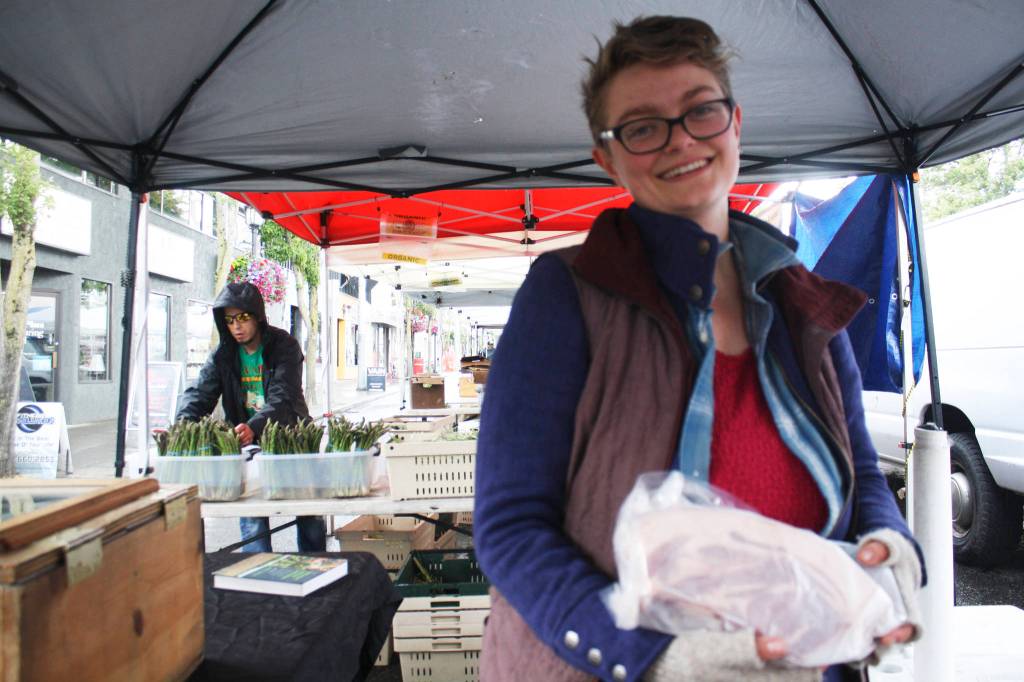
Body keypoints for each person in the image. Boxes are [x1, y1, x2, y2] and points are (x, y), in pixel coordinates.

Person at [474, 16, 923, 682]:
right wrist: (659, 659)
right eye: (642, 127)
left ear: (735, 123)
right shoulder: (566, 294)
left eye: (700, 111)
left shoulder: (804, 301)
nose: (681, 139)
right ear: (608, 159)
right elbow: (509, 527)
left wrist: (889, 548)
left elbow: (863, 477)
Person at [176, 281, 326, 553]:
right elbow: (200, 394)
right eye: (230, 320)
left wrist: (254, 425)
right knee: (253, 516)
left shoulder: (285, 346)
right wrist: (181, 426)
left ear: (258, 316)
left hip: (294, 441)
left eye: (243, 317)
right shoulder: (222, 355)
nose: (236, 326)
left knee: (309, 515)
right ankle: (259, 572)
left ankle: (317, 567)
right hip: (249, 446)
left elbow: (283, 396)